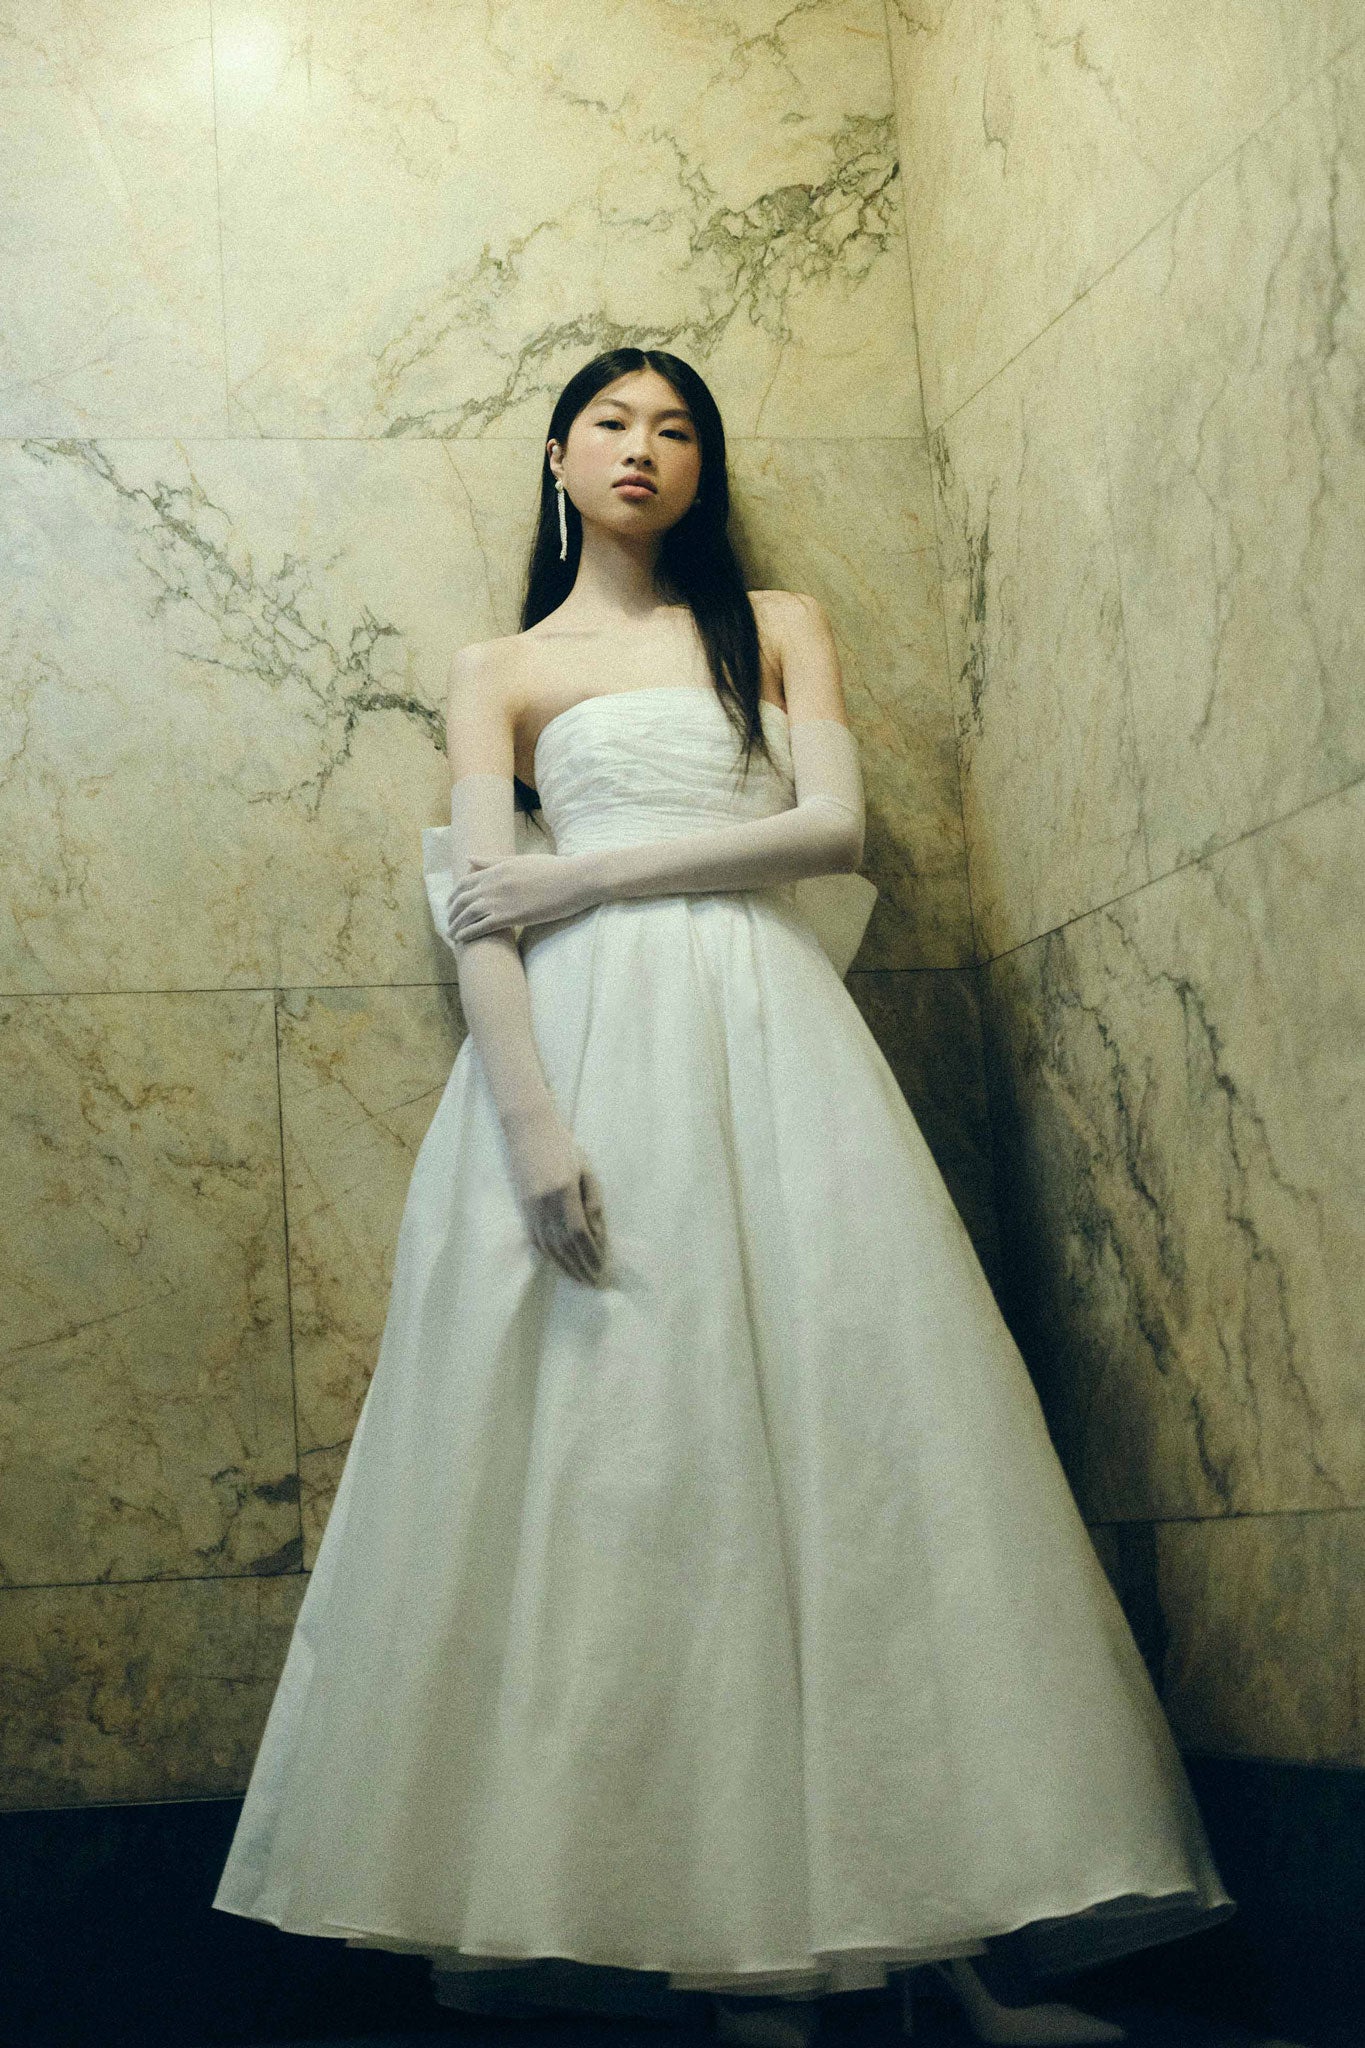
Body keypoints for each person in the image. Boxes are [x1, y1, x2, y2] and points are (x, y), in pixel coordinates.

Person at [212, 348, 1235, 2048]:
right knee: (640, 1457)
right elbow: (483, 917)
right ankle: (738, 1953)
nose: (644, 447)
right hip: (585, 1059)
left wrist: (589, 869)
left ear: (703, 464)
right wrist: (531, 1131)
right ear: (559, 456)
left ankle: (950, 1955)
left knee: (857, 1446)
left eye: (676, 427)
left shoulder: (772, 624)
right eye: (613, 423)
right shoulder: (497, 672)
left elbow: (830, 831)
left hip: (768, 1041)